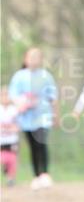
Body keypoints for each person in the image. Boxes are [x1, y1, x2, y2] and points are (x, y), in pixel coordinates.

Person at [9, 48, 58, 190]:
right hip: (26, 119)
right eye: (31, 57)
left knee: (41, 143)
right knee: (33, 147)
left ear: (41, 59)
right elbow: (13, 95)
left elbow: (53, 97)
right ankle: (36, 176)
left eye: (37, 57)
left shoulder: (46, 76)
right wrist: (22, 103)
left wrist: (56, 115)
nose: (33, 59)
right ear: (25, 59)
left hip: (43, 116)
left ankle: (45, 174)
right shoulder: (19, 76)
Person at [0, 86, 20, 186]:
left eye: (7, 95)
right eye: (3, 95)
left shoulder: (14, 110)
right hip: (1, 140)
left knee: (12, 159)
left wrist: (12, 128)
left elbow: (18, 125)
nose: (5, 97)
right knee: (3, 158)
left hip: (12, 139)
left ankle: (11, 178)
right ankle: (5, 168)